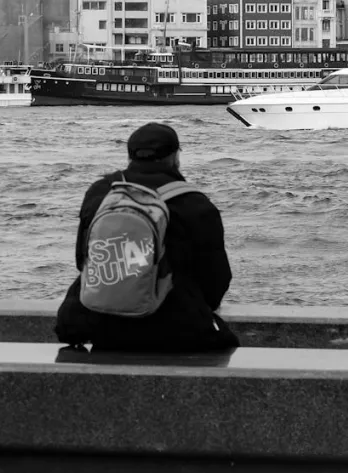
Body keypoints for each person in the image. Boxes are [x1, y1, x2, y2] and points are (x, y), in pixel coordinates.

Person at [54, 121, 238, 352]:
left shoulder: (101, 191)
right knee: (227, 344)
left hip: (100, 324)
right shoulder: (194, 203)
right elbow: (216, 279)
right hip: (175, 328)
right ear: (174, 157)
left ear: (130, 156)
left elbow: (82, 259)